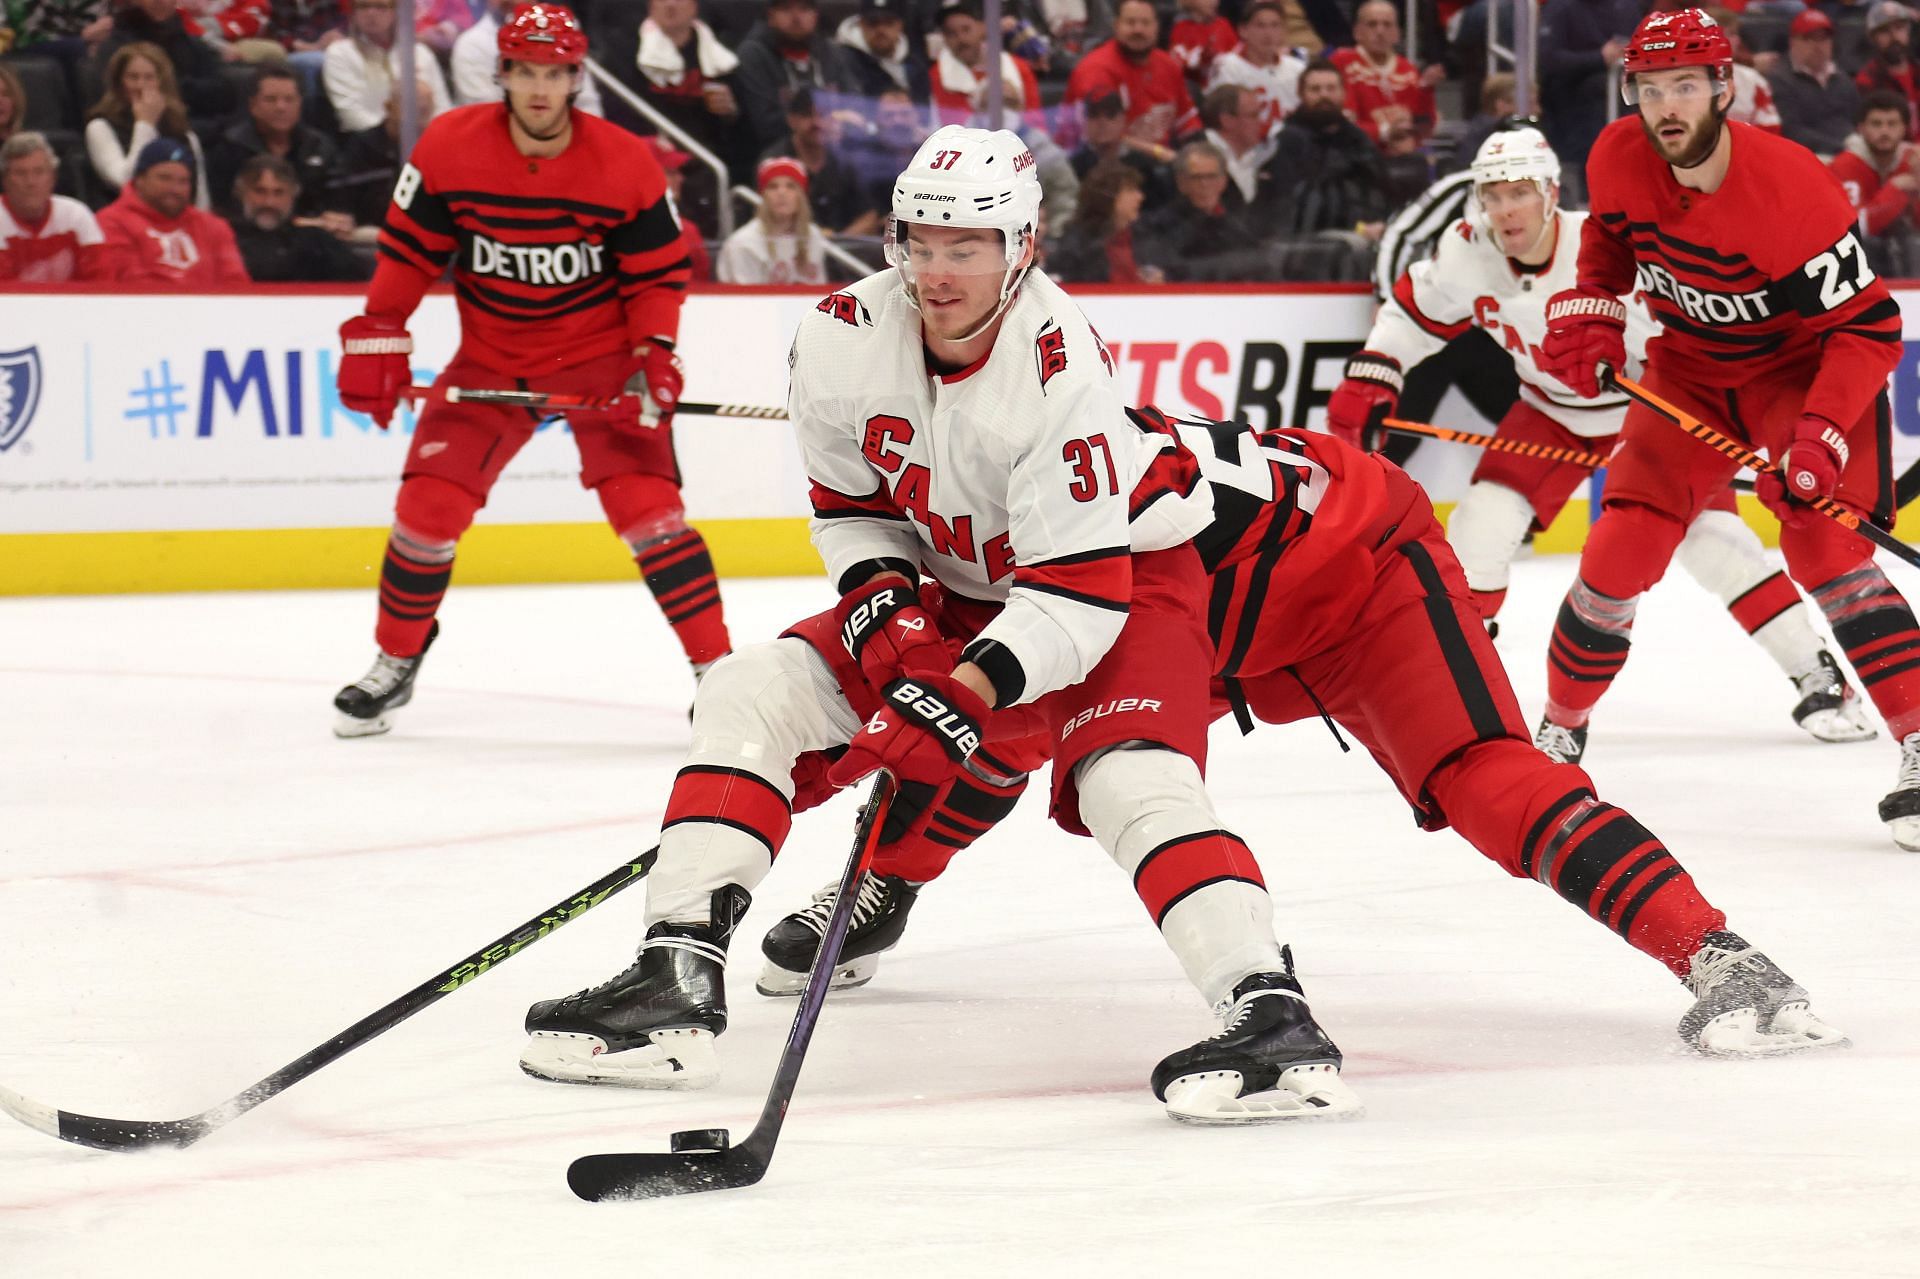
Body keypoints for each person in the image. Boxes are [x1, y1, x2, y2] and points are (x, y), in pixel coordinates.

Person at [520, 122, 1370, 1124]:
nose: (935, 269)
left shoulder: (1063, 374)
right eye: (918, 241)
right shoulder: (840, 328)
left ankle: (1270, 1015)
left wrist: (957, 689)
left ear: (1024, 246)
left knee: (1128, 781)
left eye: (964, 246)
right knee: (750, 691)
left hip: (1121, 585)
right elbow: (851, 503)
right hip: (963, 585)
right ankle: (675, 978)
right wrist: (888, 619)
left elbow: (1077, 599)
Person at [1329, 127, 1872, 746]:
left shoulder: (1604, 250)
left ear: (1551, 193)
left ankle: (1816, 673)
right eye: (1493, 196)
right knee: (1478, 527)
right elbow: (1410, 311)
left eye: (1520, 193)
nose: (1506, 210)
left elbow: (1688, 343)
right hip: (1550, 408)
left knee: (1713, 542)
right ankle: (1456, 688)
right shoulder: (1466, 250)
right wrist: (1376, 370)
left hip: (1648, 413)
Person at [1535, 7, 1920, 851]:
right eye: (1649, 88)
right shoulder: (1615, 155)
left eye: (1683, 85)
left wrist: (1818, 435)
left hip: (1801, 374)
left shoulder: (1790, 187)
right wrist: (1596, 316)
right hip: (1691, 376)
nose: (1665, 105)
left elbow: (1867, 331)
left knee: (1823, 549)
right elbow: (1607, 249)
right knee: (1616, 552)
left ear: (1723, 86)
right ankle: (1559, 731)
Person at [330, 4, 729, 737]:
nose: (541, 89)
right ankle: (395, 658)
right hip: (491, 360)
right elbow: (409, 254)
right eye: (526, 73)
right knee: (426, 512)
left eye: (555, 74)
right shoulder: (449, 146)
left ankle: (717, 673)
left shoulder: (624, 161)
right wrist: (379, 331)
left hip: (601, 361)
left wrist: (655, 356)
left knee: (652, 515)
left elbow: (656, 278)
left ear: (576, 78)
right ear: (502, 73)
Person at [204, 64, 348, 224]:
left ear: (300, 104)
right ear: (253, 106)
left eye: (289, 100)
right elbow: (221, 208)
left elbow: (338, 202)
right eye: (271, 99)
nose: (281, 107)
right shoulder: (229, 147)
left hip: (312, 235)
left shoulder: (320, 146)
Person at [95, 135, 248, 282]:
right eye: (164, 178)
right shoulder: (111, 222)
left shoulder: (214, 227)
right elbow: (126, 285)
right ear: (140, 180)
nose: (175, 189)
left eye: (183, 181)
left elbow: (235, 285)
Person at [1271, 60, 1390, 237]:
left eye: (1331, 88)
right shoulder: (1288, 140)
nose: (1324, 95)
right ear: (1301, 94)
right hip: (1308, 238)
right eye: (1315, 89)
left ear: (1343, 93)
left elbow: (1379, 186)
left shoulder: (1358, 139)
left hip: (1366, 231)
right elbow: (1289, 203)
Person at [85, 42, 211, 209]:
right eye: (133, 77)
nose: (140, 86)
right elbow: (125, 181)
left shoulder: (184, 134)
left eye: (149, 77)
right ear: (119, 83)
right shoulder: (99, 127)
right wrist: (145, 123)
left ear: (162, 82)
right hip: (125, 222)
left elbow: (200, 197)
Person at [1063, 0, 1196, 148]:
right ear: (1116, 26)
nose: (1138, 30)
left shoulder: (1168, 65)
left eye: (1145, 23)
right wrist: (1160, 154)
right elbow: (1101, 138)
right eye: (1130, 22)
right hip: (1103, 162)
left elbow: (1188, 124)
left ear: (1156, 27)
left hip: (1161, 162)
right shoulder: (1096, 69)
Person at [733, 0, 856, 155]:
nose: (796, 17)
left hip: (835, 150)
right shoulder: (754, 54)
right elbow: (765, 123)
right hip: (776, 155)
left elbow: (855, 106)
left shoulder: (831, 51)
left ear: (815, 15)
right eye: (786, 9)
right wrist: (824, 123)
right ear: (770, 15)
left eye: (804, 9)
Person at [226, 152, 368, 281]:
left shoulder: (317, 242)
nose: (269, 202)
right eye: (260, 191)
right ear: (241, 192)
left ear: (294, 193)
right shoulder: (223, 238)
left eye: (279, 192)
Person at [453, 0, 603, 115]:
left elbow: (587, 105)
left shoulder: (563, 32)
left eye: (553, 74)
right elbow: (485, 117)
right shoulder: (471, 44)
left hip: (568, 143)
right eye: (525, 73)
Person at [323, 0, 451, 134]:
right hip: (368, 143)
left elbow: (442, 108)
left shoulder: (420, 53)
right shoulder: (340, 53)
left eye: (381, 6)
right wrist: (391, 134)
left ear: (396, 12)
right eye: (363, 6)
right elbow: (351, 114)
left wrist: (432, 137)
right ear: (353, 13)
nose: (371, 13)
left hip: (427, 138)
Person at [764, 87, 879, 237]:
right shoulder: (775, 163)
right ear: (792, 120)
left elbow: (869, 217)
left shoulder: (844, 160)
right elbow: (768, 220)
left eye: (823, 115)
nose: (817, 123)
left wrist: (836, 245)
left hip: (842, 251)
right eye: (807, 115)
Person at [94, 0, 233, 119]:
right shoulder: (116, 47)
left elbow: (222, 92)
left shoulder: (191, 43)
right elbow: (118, 101)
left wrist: (176, 88)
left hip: (202, 129)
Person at [1332, 0, 1442, 150]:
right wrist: (1385, 131)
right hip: (1358, 155)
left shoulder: (1408, 69)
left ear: (1397, 33)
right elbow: (1343, 125)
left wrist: (1425, 89)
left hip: (1404, 156)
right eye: (1372, 24)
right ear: (1357, 32)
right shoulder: (1342, 62)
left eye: (1387, 25)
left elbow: (1424, 126)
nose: (1380, 31)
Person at [0, 132, 106, 282]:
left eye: (39, 172)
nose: (30, 182)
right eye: (20, 173)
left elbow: (100, 279)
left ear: (53, 177)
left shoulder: (76, 214)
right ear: (5, 180)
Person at [714, 155, 831, 284]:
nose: (782, 193)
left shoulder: (812, 236)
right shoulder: (744, 243)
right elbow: (747, 300)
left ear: (801, 196)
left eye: (791, 186)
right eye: (773, 187)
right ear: (763, 196)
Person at [929, 0, 1041, 129]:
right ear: (944, 38)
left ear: (982, 27)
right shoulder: (938, 76)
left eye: (966, 29)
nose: (961, 38)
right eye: (951, 33)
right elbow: (949, 128)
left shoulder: (1019, 67)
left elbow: (1035, 122)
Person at [1767, 7, 1861, 157]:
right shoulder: (1779, 79)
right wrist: (1841, 147)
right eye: (1809, 38)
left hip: (1851, 148)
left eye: (1824, 38)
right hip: (1808, 155)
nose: (1818, 46)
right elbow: (1791, 131)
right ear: (1793, 42)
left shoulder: (1840, 76)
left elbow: (1858, 117)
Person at [1043, 158, 1157, 282]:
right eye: (1130, 190)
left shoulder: (1144, 237)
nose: (1140, 197)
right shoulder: (1076, 247)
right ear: (1108, 196)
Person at [1204, 1, 1305, 139]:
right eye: (1260, 26)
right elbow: (1221, 116)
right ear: (1243, 30)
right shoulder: (1228, 66)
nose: (1268, 34)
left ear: (1283, 31)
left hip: (1292, 144)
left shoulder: (1297, 68)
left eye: (1275, 26)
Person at [1831, 89, 1920, 238]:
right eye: (1876, 124)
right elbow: (1851, 229)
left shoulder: (1912, 160)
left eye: (1892, 124)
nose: (1884, 131)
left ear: (1904, 128)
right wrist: (1894, 189)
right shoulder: (1845, 165)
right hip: (1863, 253)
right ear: (1861, 128)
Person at [1200, 82, 1285, 217]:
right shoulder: (1196, 155)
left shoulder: (1261, 160)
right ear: (1227, 121)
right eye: (1253, 115)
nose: (1260, 122)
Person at [834, 0, 929, 103]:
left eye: (888, 23)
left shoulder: (915, 66)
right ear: (861, 24)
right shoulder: (845, 62)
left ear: (900, 25)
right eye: (873, 23)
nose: (881, 30)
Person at [1857, 2, 1920, 125]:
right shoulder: (1867, 79)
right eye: (1885, 31)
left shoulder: (1917, 70)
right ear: (1873, 38)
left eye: (1899, 27)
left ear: (1908, 31)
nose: (1894, 36)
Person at [1170, 0, 1239, 93]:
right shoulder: (1181, 28)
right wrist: (1201, 59)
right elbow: (1177, 63)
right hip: (1195, 89)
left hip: (1223, 86)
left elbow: (1237, 56)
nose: (1214, 2)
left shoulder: (1223, 25)